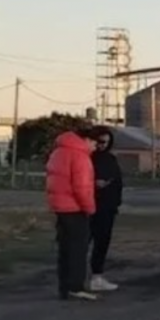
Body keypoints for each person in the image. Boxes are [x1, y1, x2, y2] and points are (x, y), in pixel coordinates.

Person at [46, 127, 98, 301]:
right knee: (78, 249)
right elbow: (81, 187)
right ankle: (76, 286)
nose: (95, 147)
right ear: (85, 140)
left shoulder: (58, 152)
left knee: (64, 249)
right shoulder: (80, 157)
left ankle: (64, 287)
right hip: (75, 209)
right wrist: (90, 208)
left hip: (60, 207)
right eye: (94, 143)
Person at [87, 126, 123, 292]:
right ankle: (75, 276)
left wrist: (116, 202)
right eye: (101, 141)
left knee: (102, 243)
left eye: (107, 142)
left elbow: (118, 181)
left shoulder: (110, 159)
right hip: (88, 205)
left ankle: (97, 276)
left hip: (107, 207)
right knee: (83, 242)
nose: (103, 145)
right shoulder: (86, 157)